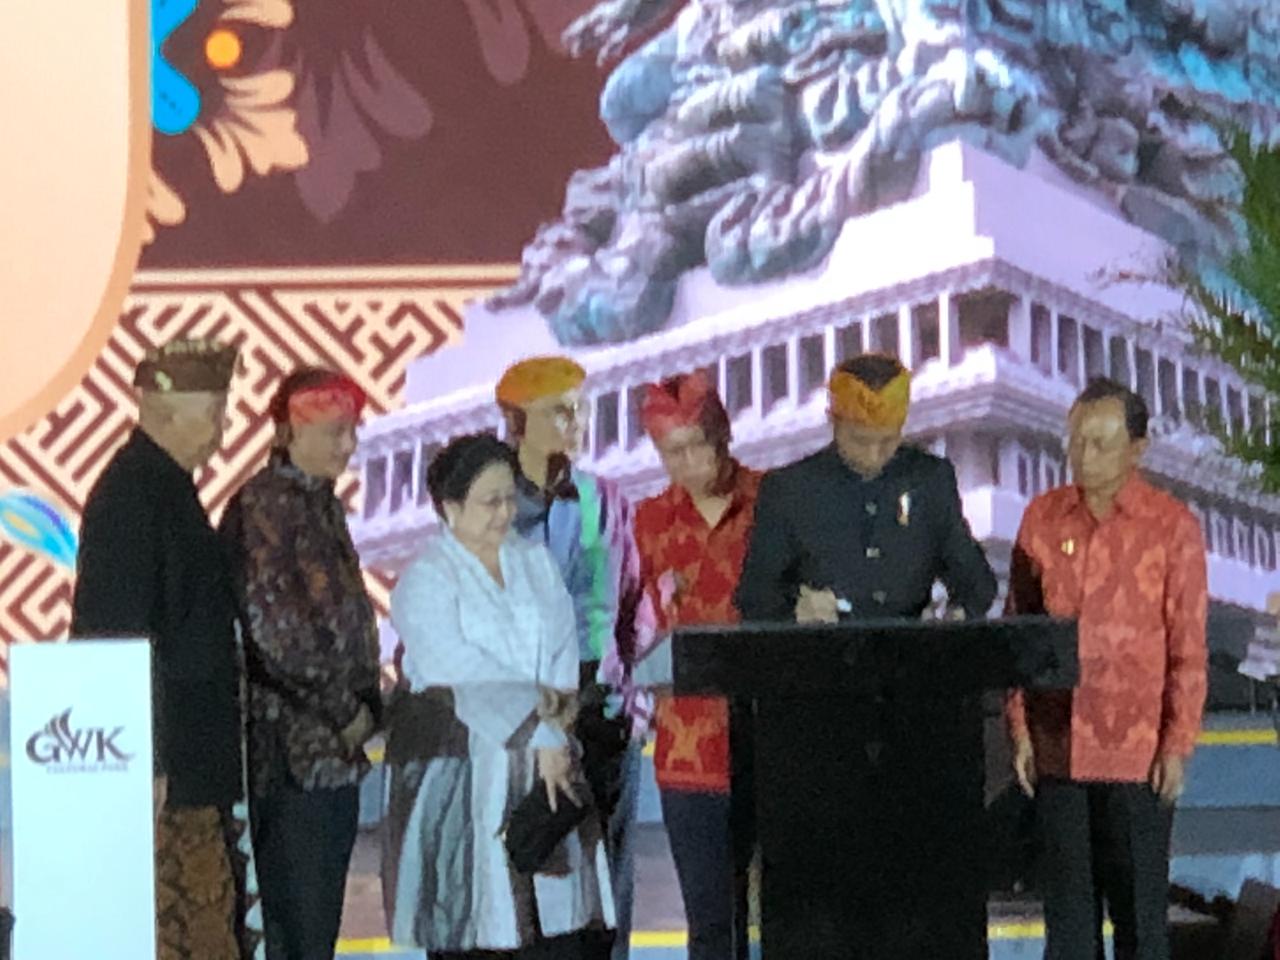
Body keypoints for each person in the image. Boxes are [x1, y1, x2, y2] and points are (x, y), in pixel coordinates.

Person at [733, 352, 998, 951]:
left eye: (888, 440)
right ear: (832, 421)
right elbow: (753, 598)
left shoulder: (930, 481)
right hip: (820, 731)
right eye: (860, 440)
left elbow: (977, 586)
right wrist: (797, 607)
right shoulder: (790, 490)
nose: (876, 455)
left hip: (917, 727)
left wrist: (956, 611)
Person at [383, 433, 614, 960]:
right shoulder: (425, 580)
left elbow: (560, 646)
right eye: (491, 502)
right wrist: (541, 728)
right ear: (450, 507)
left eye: (511, 498)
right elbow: (456, 668)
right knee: (473, 926)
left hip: (546, 764)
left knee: (555, 927)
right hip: (462, 766)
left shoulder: (533, 561)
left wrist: (555, 733)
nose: (505, 513)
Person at [1005, 377, 1208, 960]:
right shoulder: (1042, 518)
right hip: (1058, 744)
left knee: (1140, 921)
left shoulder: (1172, 527)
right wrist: (1019, 726)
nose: (1083, 456)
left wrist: (1177, 743)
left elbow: (1187, 645)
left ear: (1137, 450)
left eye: (1099, 443)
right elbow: (1019, 629)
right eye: (1075, 442)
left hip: (1137, 752)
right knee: (1069, 927)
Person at [71, 337, 246, 960]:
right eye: (215, 414)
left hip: (189, 767)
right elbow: (114, 637)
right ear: (163, 414)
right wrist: (141, 758)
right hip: (163, 779)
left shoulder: (166, 487)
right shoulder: (130, 497)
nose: (223, 432)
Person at [219, 368, 383, 960]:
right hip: (292, 756)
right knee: (296, 928)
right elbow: (276, 636)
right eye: (336, 432)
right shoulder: (264, 506)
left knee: (316, 929)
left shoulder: (318, 504)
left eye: (352, 432)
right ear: (291, 429)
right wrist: (347, 714)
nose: (348, 445)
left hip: (331, 755)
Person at [494, 356, 646, 960]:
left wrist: (630, 696)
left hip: (602, 716)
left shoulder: (603, 500)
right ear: (514, 423)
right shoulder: (490, 504)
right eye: (559, 410)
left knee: (610, 905)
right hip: (525, 727)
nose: (576, 420)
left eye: (581, 407)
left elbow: (633, 605)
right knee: (536, 894)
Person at [631, 371, 761, 960]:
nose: (683, 464)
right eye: (669, 452)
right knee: (711, 919)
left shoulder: (773, 500)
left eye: (694, 447)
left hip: (770, 734)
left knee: (783, 909)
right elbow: (629, 626)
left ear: (722, 436)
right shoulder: (649, 521)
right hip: (688, 744)